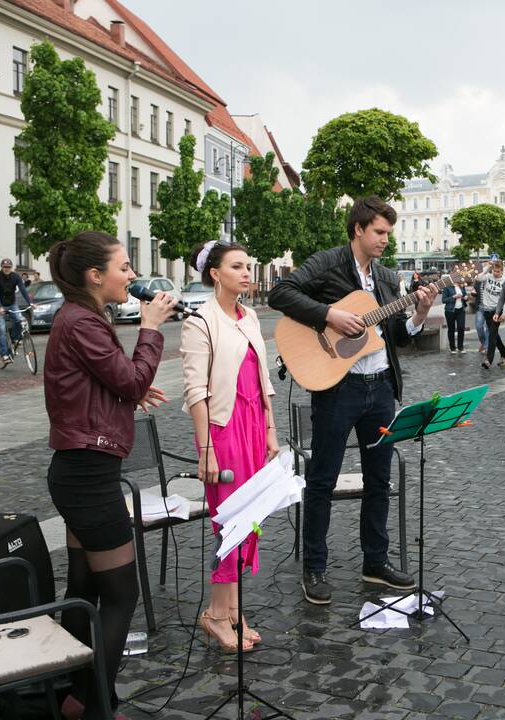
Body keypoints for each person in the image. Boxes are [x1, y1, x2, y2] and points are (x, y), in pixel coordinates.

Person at [266, 196, 437, 604]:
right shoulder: (326, 263)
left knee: (379, 479)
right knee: (322, 479)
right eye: (379, 232)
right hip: (337, 388)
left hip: (379, 389)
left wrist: (418, 314)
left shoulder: (386, 278)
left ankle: (375, 562)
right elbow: (280, 293)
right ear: (358, 229)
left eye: (388, 233)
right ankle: (315, 567)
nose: (384, 240)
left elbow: (392, 337)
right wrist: (328, 315)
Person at [43, 231, 172, 720]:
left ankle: (73, 695)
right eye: (124, 266)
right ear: (95, 276)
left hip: (80, 472)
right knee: (121, 593)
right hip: (89, 479)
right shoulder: (81, 321)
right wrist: (151, 328)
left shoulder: (81, 318)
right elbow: (132, 375)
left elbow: (101, 381)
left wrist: (127, 394)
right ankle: (96, 705)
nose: (132, 275)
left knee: (84, 592)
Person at [180, 241, 278, 652]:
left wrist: (271, 428)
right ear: (215, 273)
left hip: (255, 424)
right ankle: (218, 615)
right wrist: (206, 449)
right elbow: (195, 391)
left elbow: (263, 378)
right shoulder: (200, 322)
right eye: (237, 266)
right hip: (224, 429)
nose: (246, 272)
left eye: (248, 265)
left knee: (250, 519)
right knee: (231, 522)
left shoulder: (251, 315)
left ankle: (231, 610)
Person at [0, 257, 33, 364]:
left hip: (11, 303)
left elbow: (23, 290)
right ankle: (4, 354)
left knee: (19, 319)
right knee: (1, 328)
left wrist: (30, 303)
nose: (7, 269)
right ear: (1, 267)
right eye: (5, 267)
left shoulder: (16, 277)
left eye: (9, 267)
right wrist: (0, 307)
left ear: (11, 268)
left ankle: (14, 339)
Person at [479, 259, 505, 369]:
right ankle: (504, 354)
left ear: (502, 271)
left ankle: (488, 360)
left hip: (497, 311)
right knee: (495, 335)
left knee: (491, 335)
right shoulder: (488, 277)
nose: (496, 273)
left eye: (498, 271)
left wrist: (504, 313)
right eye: (495, 271)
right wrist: (487, 268)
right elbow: (478, 278)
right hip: (486, 310)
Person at [442, 275, 467, 354]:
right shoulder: (447, 287)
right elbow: (444, 300)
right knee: (451, 329)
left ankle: (460, 347)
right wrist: (454, 297)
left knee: (461, 327)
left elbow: (464, 295)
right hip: (450, 311)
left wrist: (465, 297)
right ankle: (452, 348)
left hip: (461, 310)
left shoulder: (462, 286)